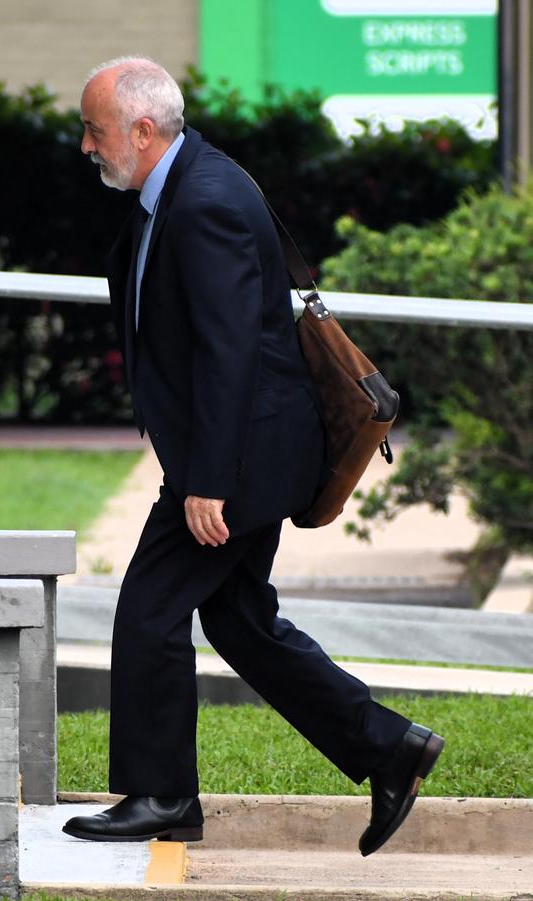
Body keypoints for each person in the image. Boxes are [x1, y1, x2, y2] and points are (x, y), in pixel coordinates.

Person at [63, 56, 444, 856]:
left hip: (242, 461)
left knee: (150, 610)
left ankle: (162, 794)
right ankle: (388, 747)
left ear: (141, 129)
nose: (87, 147)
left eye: (95, 131)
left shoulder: (202, 200)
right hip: (246, 451)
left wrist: (208, 482)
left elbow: (230, 351)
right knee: (239, 620)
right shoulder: (179, 187)